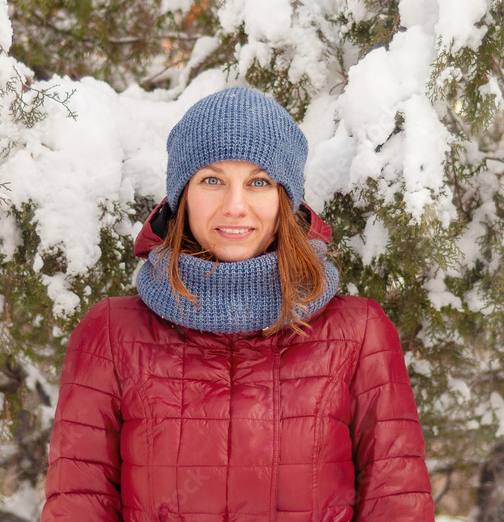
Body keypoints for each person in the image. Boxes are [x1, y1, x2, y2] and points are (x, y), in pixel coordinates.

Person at [40, 86, 434, 521]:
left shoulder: (359, 335)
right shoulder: (111, 334)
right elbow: (77, 506)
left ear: (286, 199)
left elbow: (398, 505)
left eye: (259, 182)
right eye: (212, 180)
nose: (235, 206)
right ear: (181, 196)